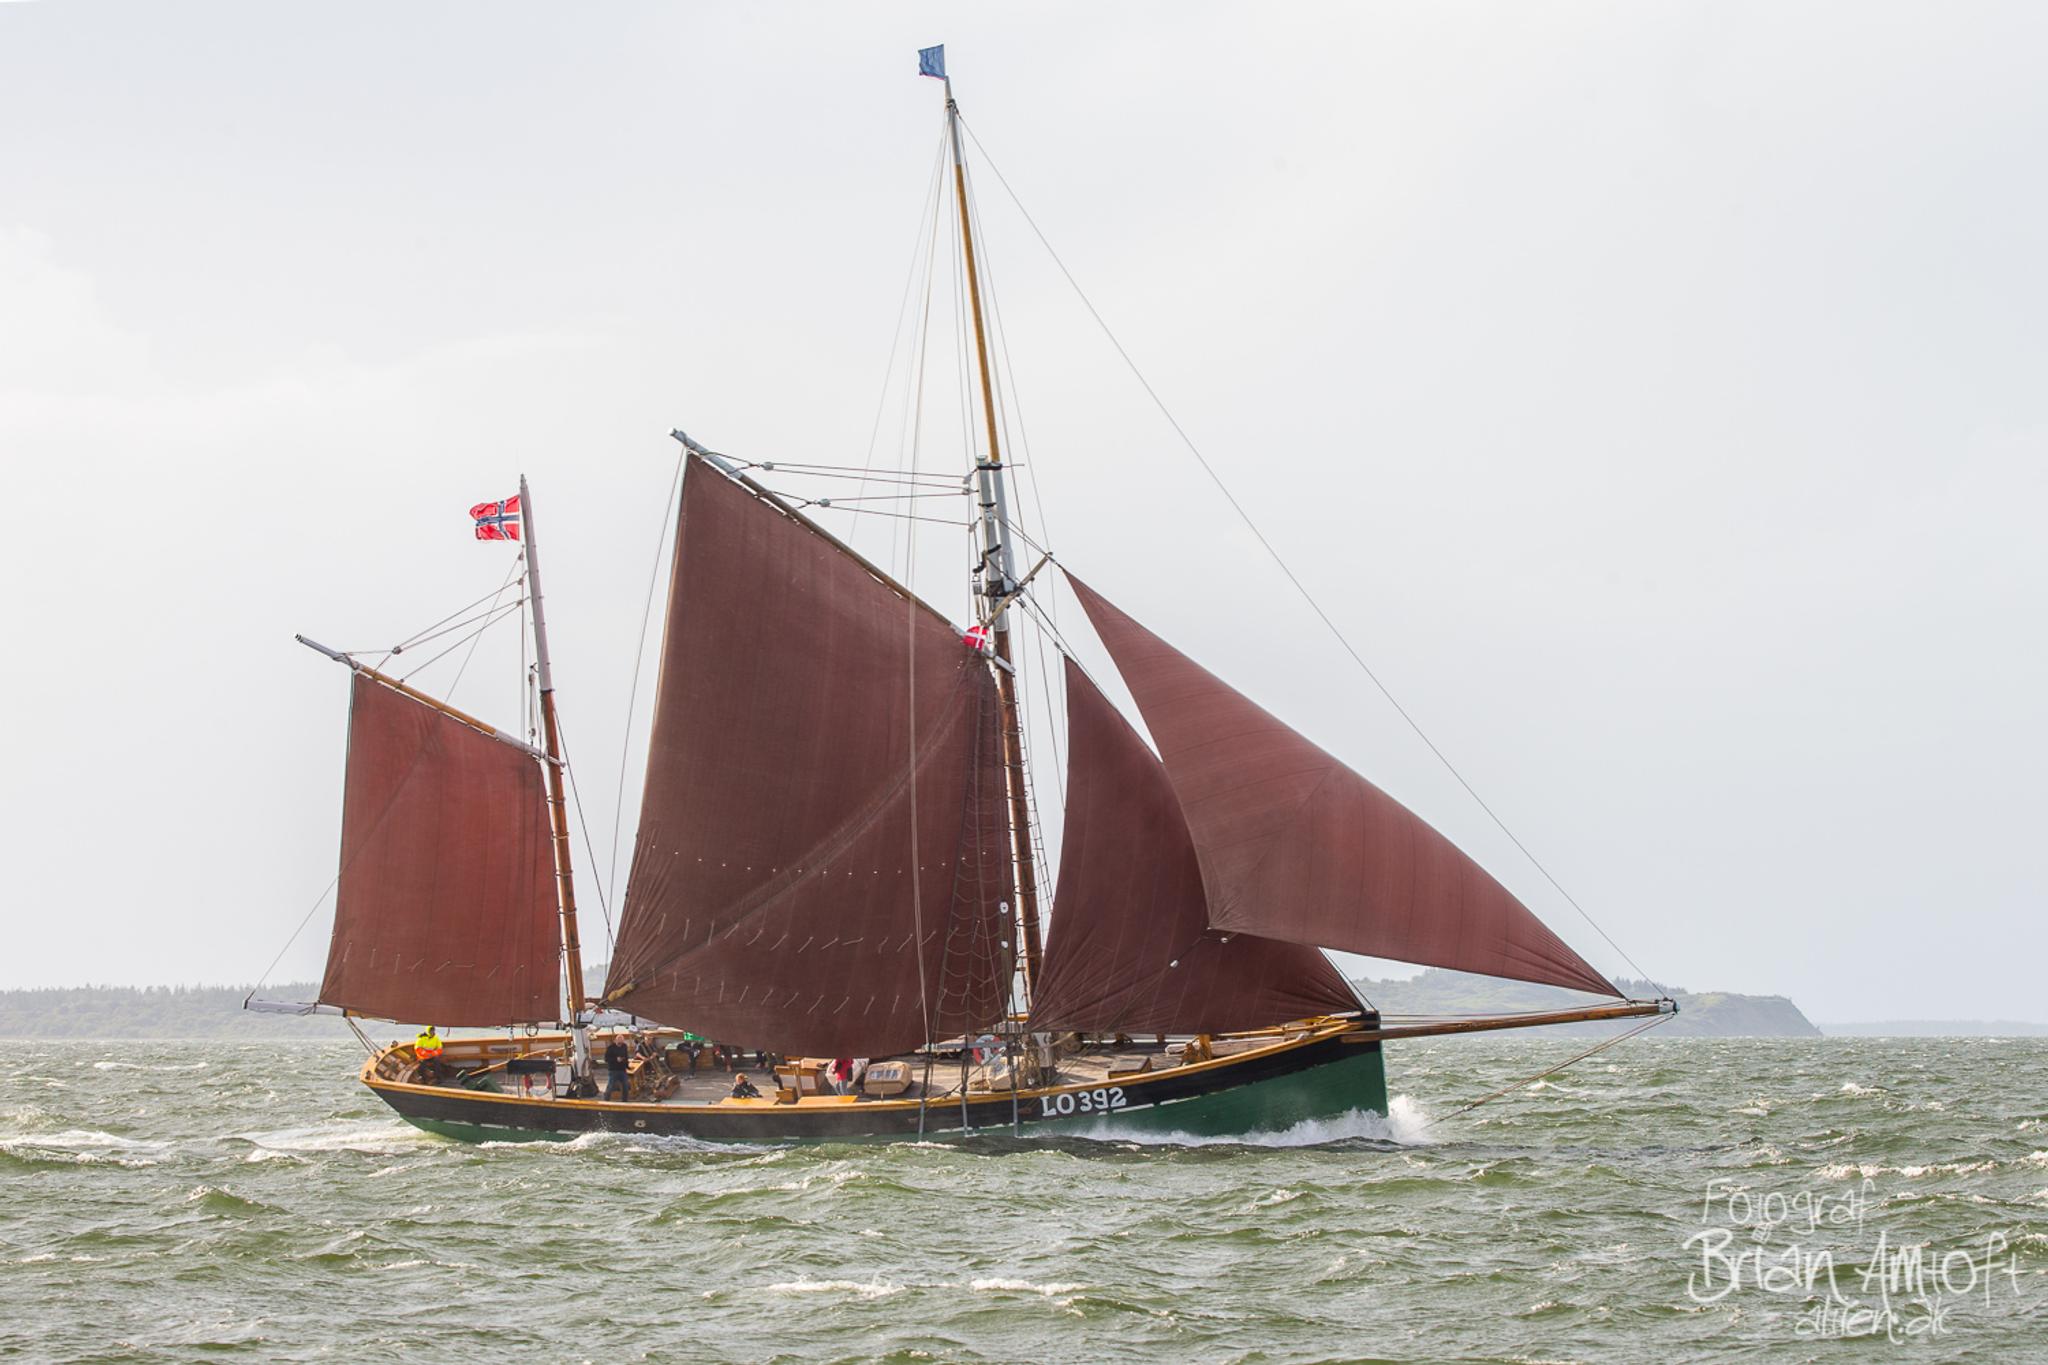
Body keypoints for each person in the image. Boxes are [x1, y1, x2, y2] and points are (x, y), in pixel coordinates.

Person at [603, 1035, 630, 1101]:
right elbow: (606, 1059)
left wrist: (627, 1066)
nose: (620, 1043)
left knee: (626, 1086)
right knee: (611, 1086)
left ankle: (625, 1101)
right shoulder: (610, 1048)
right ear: (616, 1040)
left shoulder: (624, 1046)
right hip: (613, 1070)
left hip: (622, 1069)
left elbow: (626, 1056)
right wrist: (616, 1059)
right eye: (618, 1041)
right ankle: (606, 1099)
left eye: (621, 1041)